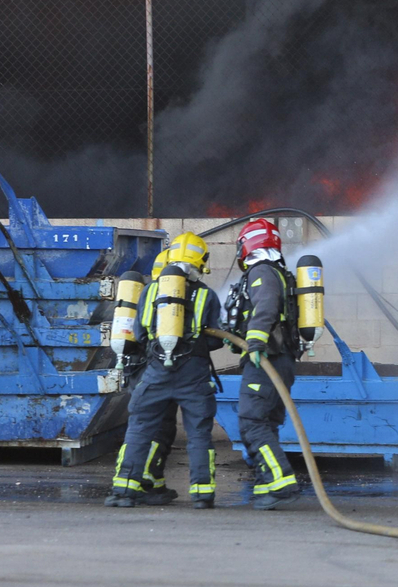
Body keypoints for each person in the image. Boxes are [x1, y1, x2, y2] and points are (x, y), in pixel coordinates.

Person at [106, 231, 222, 509]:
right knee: (198, 433)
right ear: (200, 260)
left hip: (156, 373)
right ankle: (202, 494)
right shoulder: (207, 294)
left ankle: (123, 491)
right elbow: (217, 339)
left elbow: (139, 334)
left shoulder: (151, 290)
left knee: (140, 428)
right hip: (193, 376)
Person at [229, 217, 301, 509]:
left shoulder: (262, 272)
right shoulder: (277, 271)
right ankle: (267, 482)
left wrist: (255, 341)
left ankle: (279, 480)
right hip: (278, 359)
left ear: (249, 245)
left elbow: (267, 305)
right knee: (266, 422)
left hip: (266, 357)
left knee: (252, 421)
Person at [105, 250, 177, 505]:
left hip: (133, 368)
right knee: (159, 426)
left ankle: (132, 482)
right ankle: (144, 482)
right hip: (153, 369)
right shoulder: (167, 298)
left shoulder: (141, 294)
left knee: (139, 426)